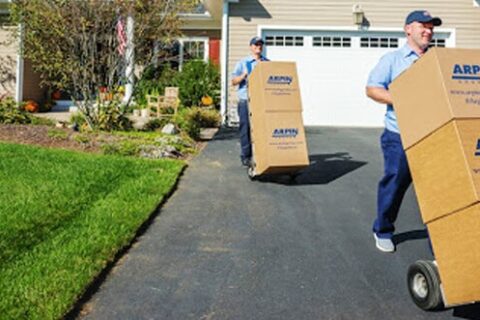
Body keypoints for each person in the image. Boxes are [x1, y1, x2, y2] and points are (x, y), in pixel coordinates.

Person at [366, 10, 442, 253]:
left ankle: (441, 240)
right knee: (395, 183)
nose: (428, 30)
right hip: (399, 135)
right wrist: (403, 99)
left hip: (432, 135)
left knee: (437, 189)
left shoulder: (438, 60)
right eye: (423, 26)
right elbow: (372, 89)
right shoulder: (392, 60)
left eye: (431, 27)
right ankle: (384, 230)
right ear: (408, 29)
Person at [231, 36, 269, 167]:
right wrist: (244, 75)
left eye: (260, 45)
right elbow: (233, 81)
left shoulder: (267, 63)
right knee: (245, 128)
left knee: (261, 128)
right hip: (246, 101)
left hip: (261, 102)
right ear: (251, 47)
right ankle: (246, 156)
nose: (258, 46)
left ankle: (261, 154)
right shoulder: (243, 63)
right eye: (255, 44)